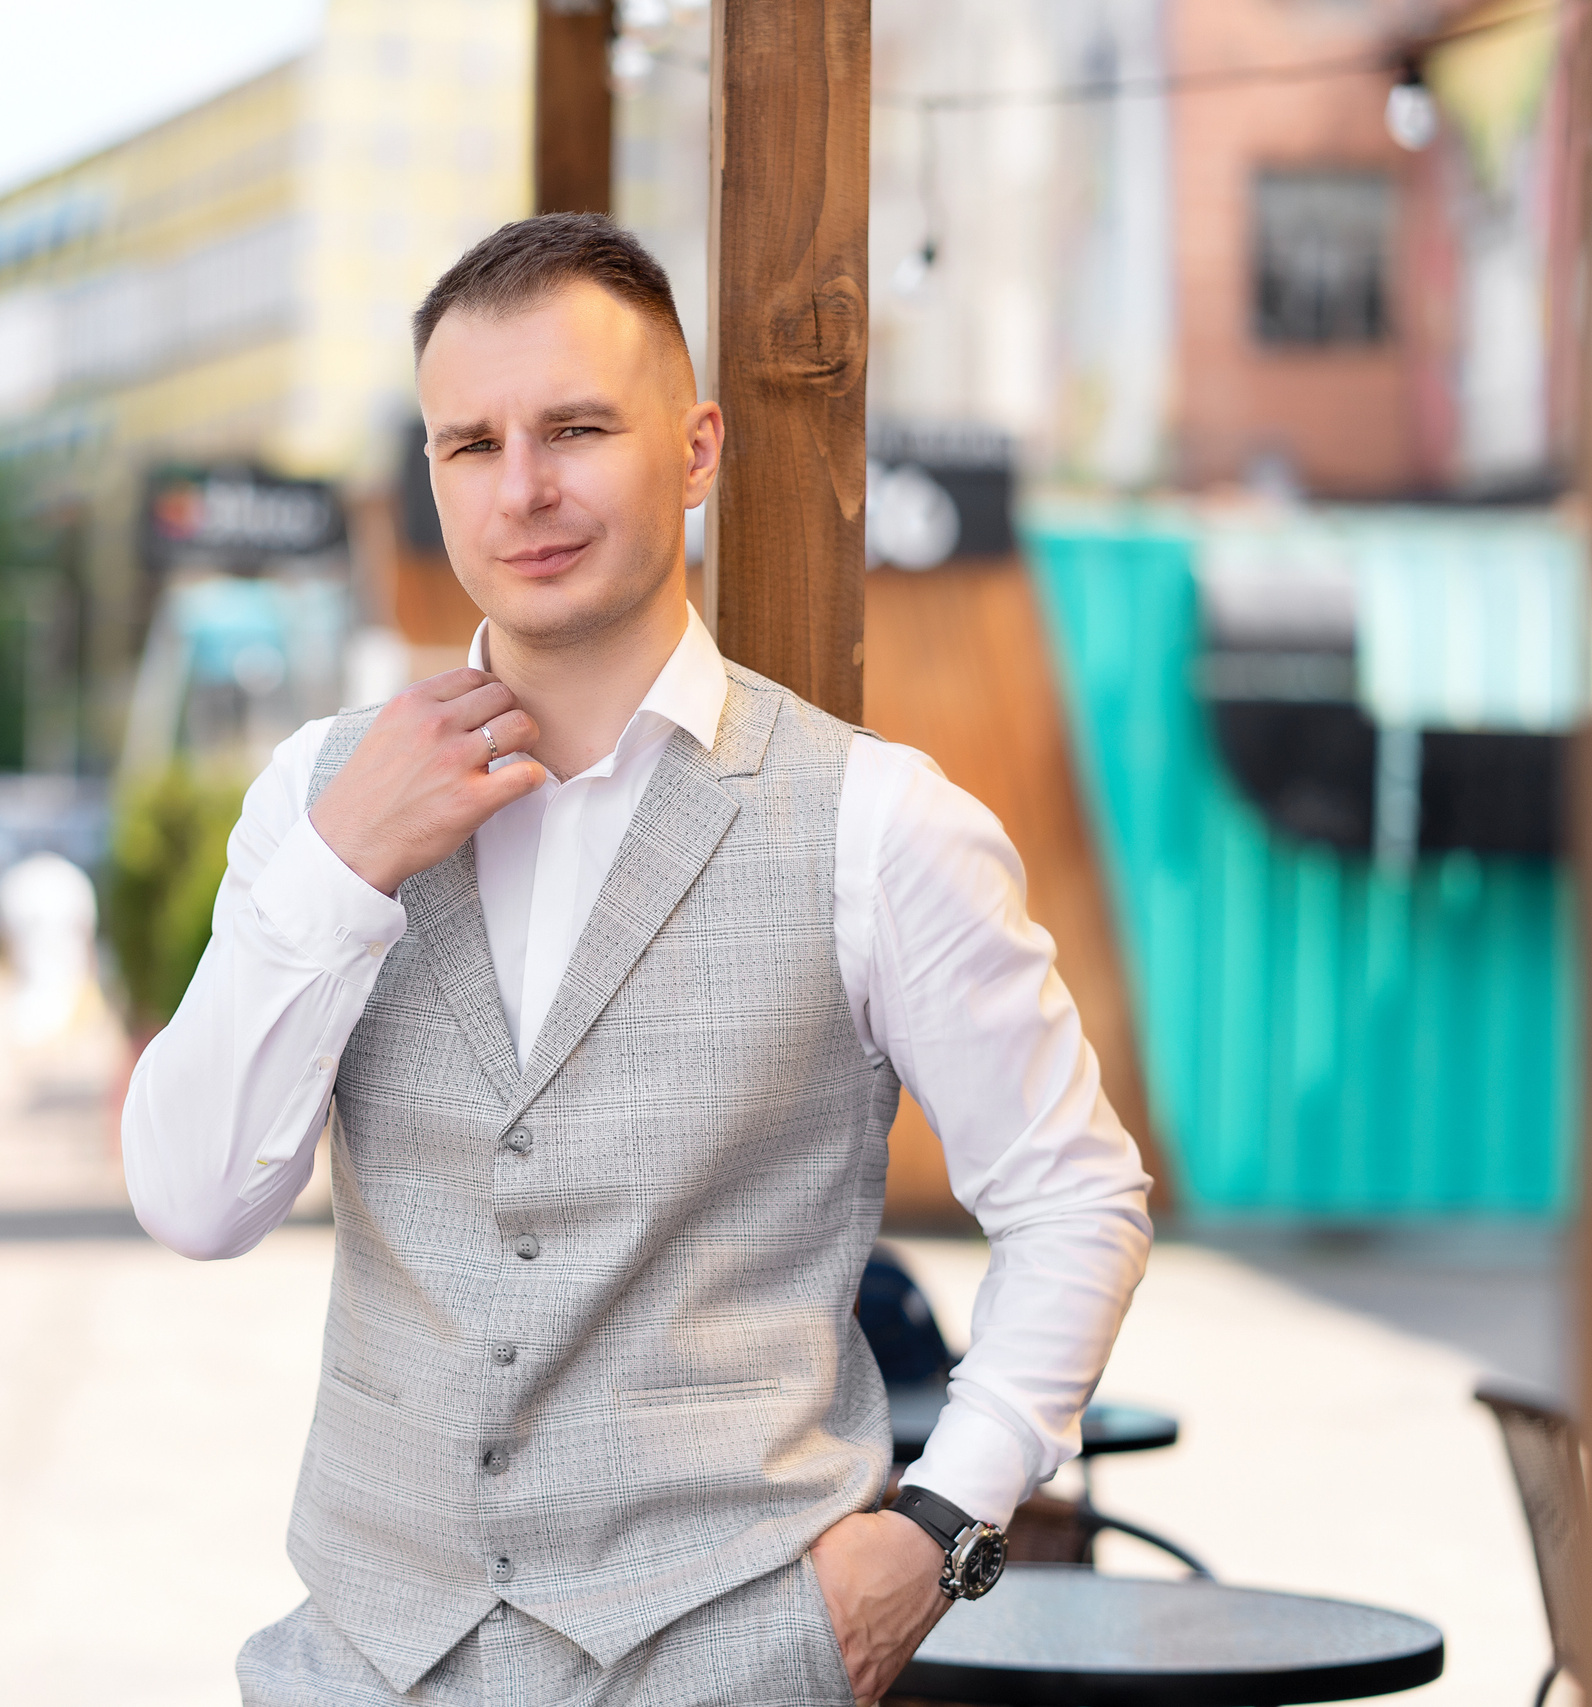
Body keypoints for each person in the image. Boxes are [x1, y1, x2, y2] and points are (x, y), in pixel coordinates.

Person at [123, 214, 1152, 1706]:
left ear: (697, 447)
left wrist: (940, 1533)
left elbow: (1077, 1198)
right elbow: (195, 1201)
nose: (522, 487)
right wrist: (341, 871)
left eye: (577, 428)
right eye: (470, 443)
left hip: (735, 1660)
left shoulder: (877, 823)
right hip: (359, 1663)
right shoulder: (314, 795)